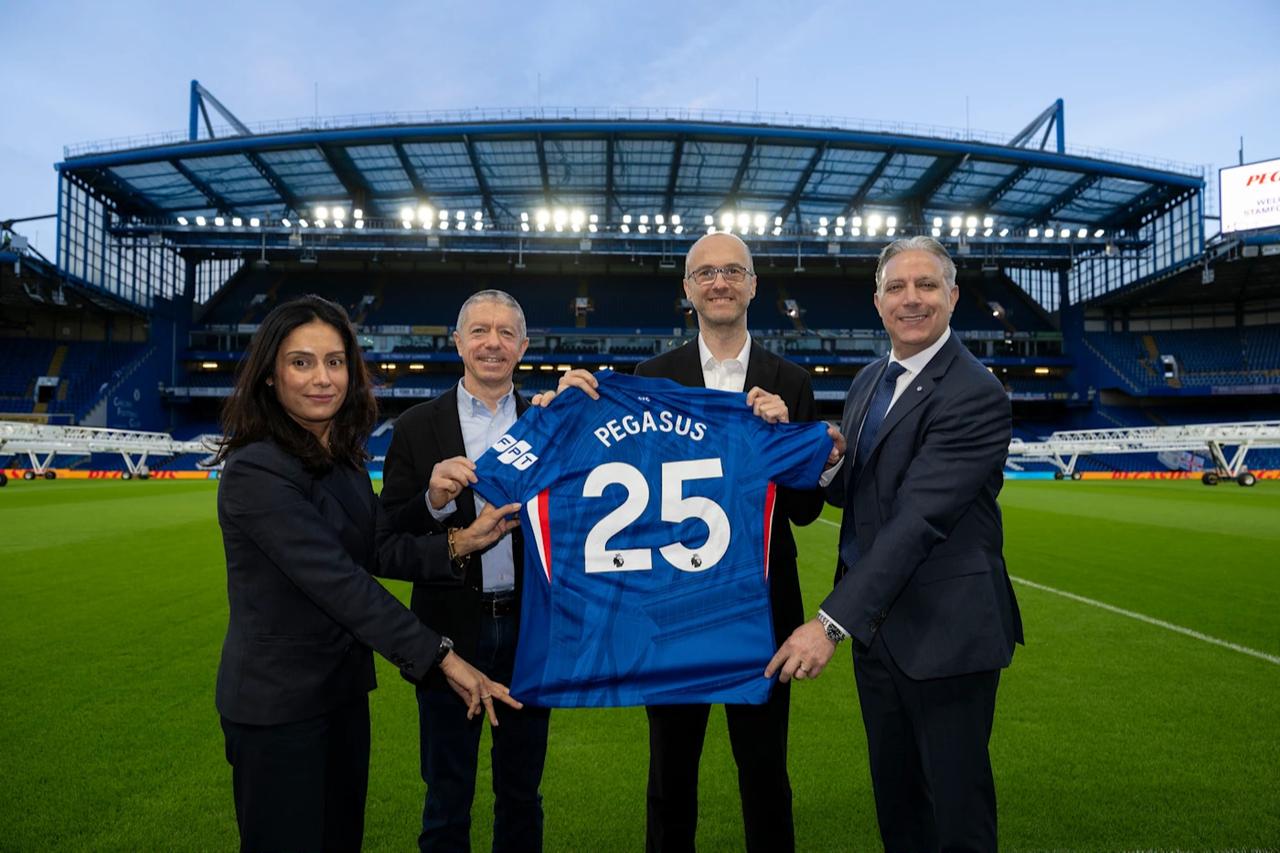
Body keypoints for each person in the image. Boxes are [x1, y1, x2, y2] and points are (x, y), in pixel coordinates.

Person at [542, 232, 838, 853]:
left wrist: (787, 438)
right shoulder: (650, 378)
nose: (720, 282)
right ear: (687, 290)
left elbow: (808, 512)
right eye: (705, 273)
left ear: (754, 284)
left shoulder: (791, 381)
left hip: (760, 612)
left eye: (733, 271)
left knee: (763, 771)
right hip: (670, 610)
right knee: (669, 774)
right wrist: (562, 408)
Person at [214, 294, 522, 852]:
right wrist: (444, 657)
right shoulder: (255, 470)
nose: (322, 378)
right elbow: (343, 584)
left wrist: (459, 541)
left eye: (334, 361)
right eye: (301, 362)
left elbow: (377, 547)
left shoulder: (341, 458)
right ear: (269, 376)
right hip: (278, 708)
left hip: (341, 694)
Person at [767, 236, 1024, 852]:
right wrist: (821, 459)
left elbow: (918, 522)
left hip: (948, 634)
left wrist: (829, 624)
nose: (912, 300)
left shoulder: (973, 391)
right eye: (897, 288)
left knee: (957, 814)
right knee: (899, 807)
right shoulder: (868, 382)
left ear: (953, 296)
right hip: (880, 637)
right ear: (877, 301)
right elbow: (860, 493)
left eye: (927, 285)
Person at [379, 290, 552, 853]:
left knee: (522, 796)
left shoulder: (549, 424)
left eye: (506, 333)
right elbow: (386, 542)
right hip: (448, 635)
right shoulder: (415, 427)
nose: (492, 343)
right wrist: (431, 500)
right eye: (479, 331)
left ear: (523, 347)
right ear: (457, 343)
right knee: (447, 798)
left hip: (531, 634)